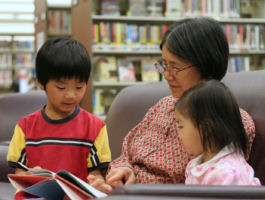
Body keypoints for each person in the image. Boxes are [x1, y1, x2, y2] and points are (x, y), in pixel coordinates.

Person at [89, 17, 256, 192]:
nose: (167, 75)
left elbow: (218, 183)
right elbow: (127, 152)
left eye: (175, 67)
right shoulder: (163, 105)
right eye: (164, 65)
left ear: (207, 65)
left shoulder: (230, 121)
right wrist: (124, 171)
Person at [7, 37, 112, 199]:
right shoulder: (25, 127)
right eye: (61, 87)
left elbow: (96, 174)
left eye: (79, 87)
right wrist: (29, 178)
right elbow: (19, 172)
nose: (71, 95)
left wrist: (98, 183)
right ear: (41, 83)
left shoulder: (96, 127)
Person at [174, 80, 260, 185]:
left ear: (206, 127)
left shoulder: (225, 174)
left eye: (181, 126)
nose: (179, 135)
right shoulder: (200, 163)